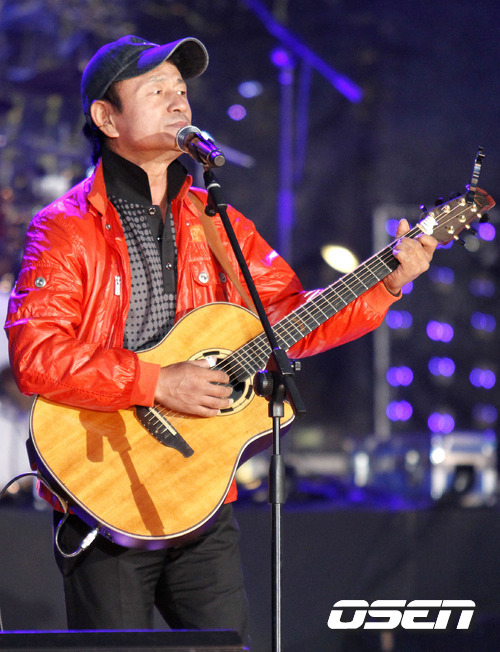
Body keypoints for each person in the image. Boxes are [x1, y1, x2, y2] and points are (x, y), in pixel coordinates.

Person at [4, 35, 437, 643]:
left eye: (181, 89)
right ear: (106, 117)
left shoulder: (218, 220)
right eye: (156, 90)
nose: (178, 100)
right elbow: (38, 357)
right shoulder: (65, 228)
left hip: (199, 486)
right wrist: (159, 382)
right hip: (104, 486)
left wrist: (386, 283)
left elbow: (288, 319)